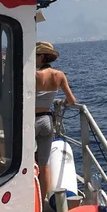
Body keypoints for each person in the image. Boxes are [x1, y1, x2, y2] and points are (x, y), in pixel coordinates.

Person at [35, 41, 77, 203]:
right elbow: (72, 100)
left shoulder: (33, 75)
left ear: (41, 56)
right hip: (47, 120)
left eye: (35, 55)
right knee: (44, 164)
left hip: (31, 121)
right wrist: (64, 103)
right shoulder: (59, 75)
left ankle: (32, 200)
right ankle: (42, 201)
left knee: (29, 163)